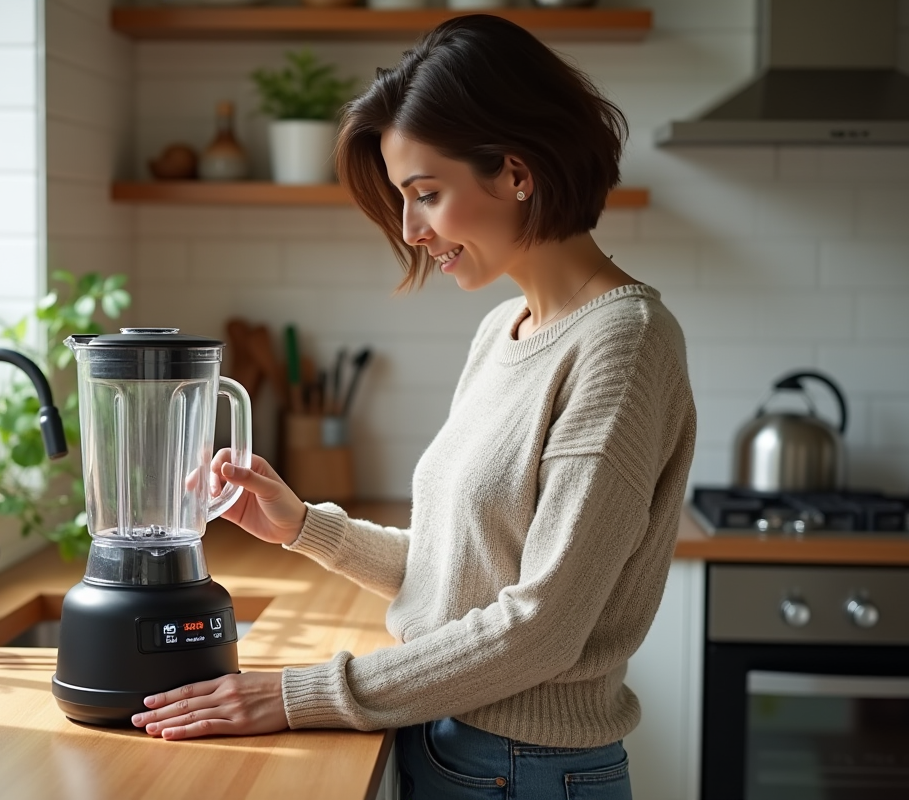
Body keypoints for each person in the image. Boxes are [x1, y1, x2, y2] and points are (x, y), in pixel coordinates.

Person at [130, 14, 696, 799]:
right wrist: (300, 525)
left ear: (516, 171)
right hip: (445, 739)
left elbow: (542, 629)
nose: (409, 229)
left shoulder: (625, 345)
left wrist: (297, 695)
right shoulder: (504, 329)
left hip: (523, 769)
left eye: (426, 193)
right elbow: (454, 574)